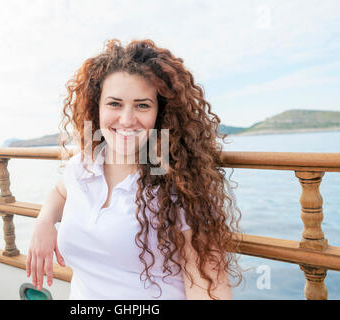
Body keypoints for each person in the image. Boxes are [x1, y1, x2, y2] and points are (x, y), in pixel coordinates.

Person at [26, 39, 242, 300]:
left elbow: (209, 289)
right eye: (114, 104)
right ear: (97, 107)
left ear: (160, 113)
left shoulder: (178, 184)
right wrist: (45, 221)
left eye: (142, 105)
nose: (127, 120)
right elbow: (60, 192)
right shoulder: (83, 165)